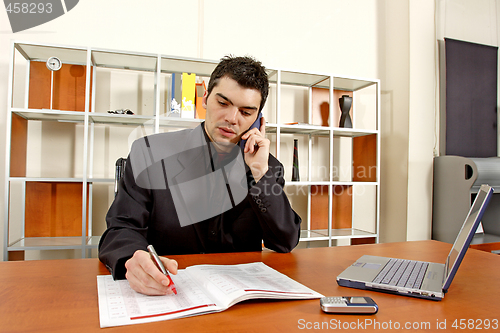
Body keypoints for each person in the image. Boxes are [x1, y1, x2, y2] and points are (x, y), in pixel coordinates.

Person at [98, 55, 301, 296]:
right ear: (205, 98)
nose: (232, 119)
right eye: (223, 103)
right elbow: (120, 229)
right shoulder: (149, 153)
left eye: (246, 112)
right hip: (168, 291)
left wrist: (259, 174)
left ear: (258, 120)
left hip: (237, 297)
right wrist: (132, 259)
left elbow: (284, 241)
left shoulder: (266, 167)